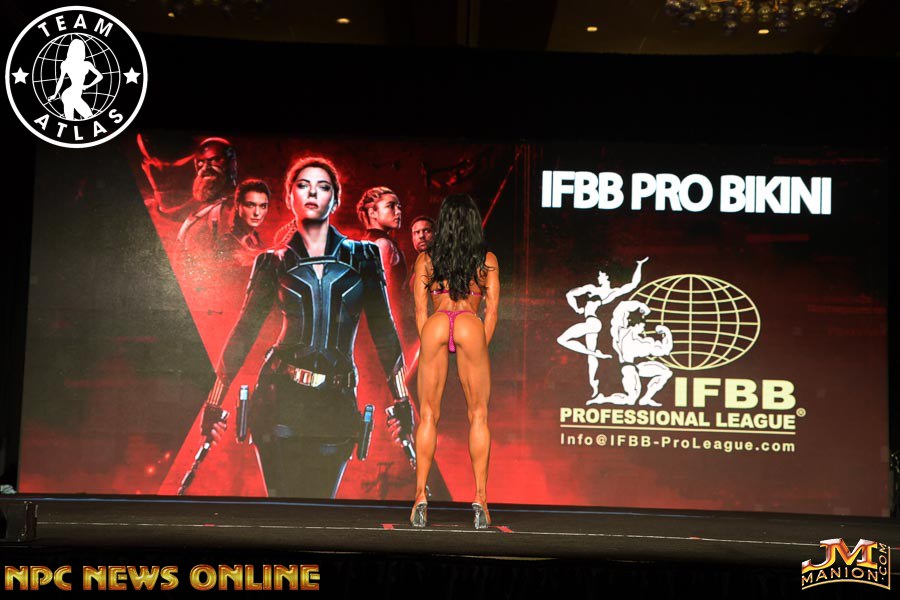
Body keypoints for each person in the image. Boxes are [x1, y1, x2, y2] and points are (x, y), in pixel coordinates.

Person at [200, 157, 415, 498]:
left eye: (323, 186)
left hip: (336, 402)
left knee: (320, 510)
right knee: (282, 508)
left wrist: (402, 402)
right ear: (290, 198)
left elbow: (384, 331)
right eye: (303, 185)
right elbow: (244, 331)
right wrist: (213, 405)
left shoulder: (364, 257)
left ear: (336, 199)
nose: (313, 192)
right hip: (279, 396)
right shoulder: (271, 262)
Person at [410, 194, 499, 529]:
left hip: (437, 322)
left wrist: (430, 339)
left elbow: (420, 311)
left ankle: (420, 497)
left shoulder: (427, 259)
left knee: (428, 415)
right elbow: (492, 311)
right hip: (469, 322)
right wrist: (477, 345)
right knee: (478, 414)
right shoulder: (486, 260)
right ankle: (481, 500)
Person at [556, 258, 648, 400]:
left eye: (600, 275)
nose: (598, 277)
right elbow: (633, 284)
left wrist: (577, 309)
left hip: (592, 322)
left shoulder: (594, 289)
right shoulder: (609, 292)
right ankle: (594, 386)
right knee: (591, 358)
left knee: (562, 339)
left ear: (606, 276)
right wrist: (577, 308)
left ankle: (598, 356)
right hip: (594, 324)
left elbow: (570, 294)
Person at [588, 301, 673, 407]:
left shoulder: (639, 341)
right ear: (636, 324)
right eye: (642, 326)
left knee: (665, 372)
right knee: (631, 400)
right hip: (628, 369)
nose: (643, 329)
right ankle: (603, 399)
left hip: (636, 367)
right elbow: (621, 308)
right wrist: (640, 306)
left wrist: (667, 333)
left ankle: (646, 398)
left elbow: (664, 350)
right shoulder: (621, 333)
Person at [178, 178, 270, 267]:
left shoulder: (252, 236)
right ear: (238, 204)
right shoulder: (212, 229)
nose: (257, 213)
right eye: (250, 205)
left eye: (263, 206)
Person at [143, 137, 238, 222]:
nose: (205, 168)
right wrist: (157, 187)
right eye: (200, 162)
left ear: (231, 164)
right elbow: (175, 215)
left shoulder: (239, 200)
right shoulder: (202, 199)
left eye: (215, 160)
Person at [357, 187, 407, 300]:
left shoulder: (365, 241)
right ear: (372, 213)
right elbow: (385, 292)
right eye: (390, 206)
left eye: (398, 206)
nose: (398, 211)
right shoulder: (383, 244)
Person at [47, 38, 103, 120]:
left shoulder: (85, 64)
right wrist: (54, 95)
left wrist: (88, 85)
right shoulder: (67, 64)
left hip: (73, 95)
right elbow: (60, 80)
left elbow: (100, 76)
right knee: (78, 119)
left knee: (85, 118)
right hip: (69, 95)